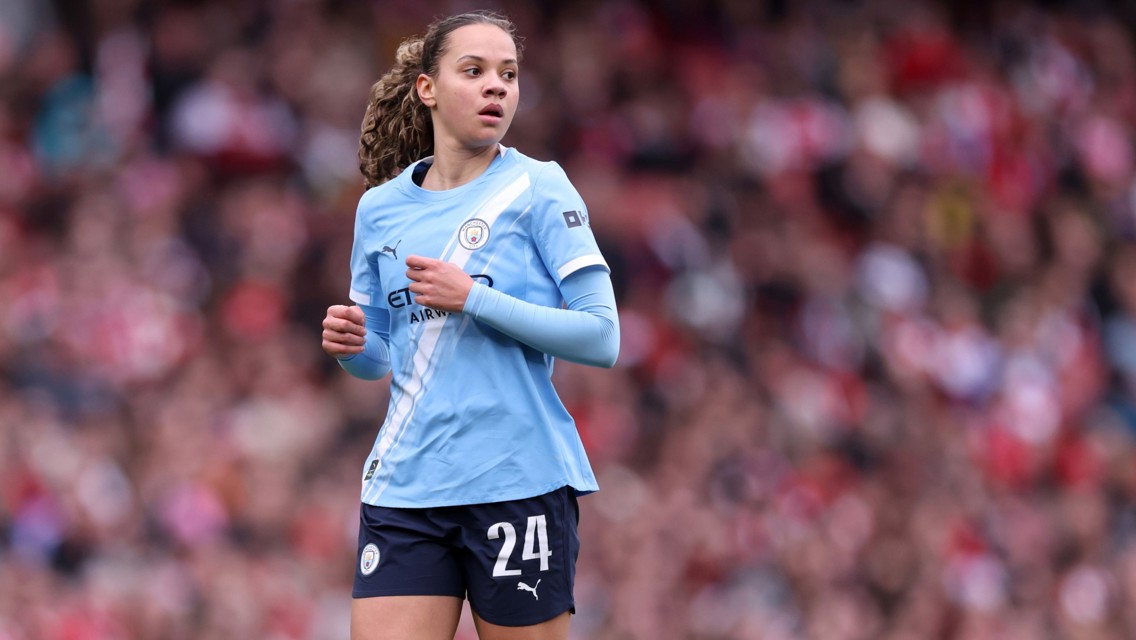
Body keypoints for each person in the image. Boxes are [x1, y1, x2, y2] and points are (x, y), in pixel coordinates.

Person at [320, 11, 620, 640]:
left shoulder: (539, 187)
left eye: (508, 75)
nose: (497, 87)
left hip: (518, 482)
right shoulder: (379, 209)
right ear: (427, 88)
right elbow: (382, 354)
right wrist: (353, 347)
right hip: (406, 484)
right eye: (475, 71)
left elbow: (601, 337)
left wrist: (475, 300)